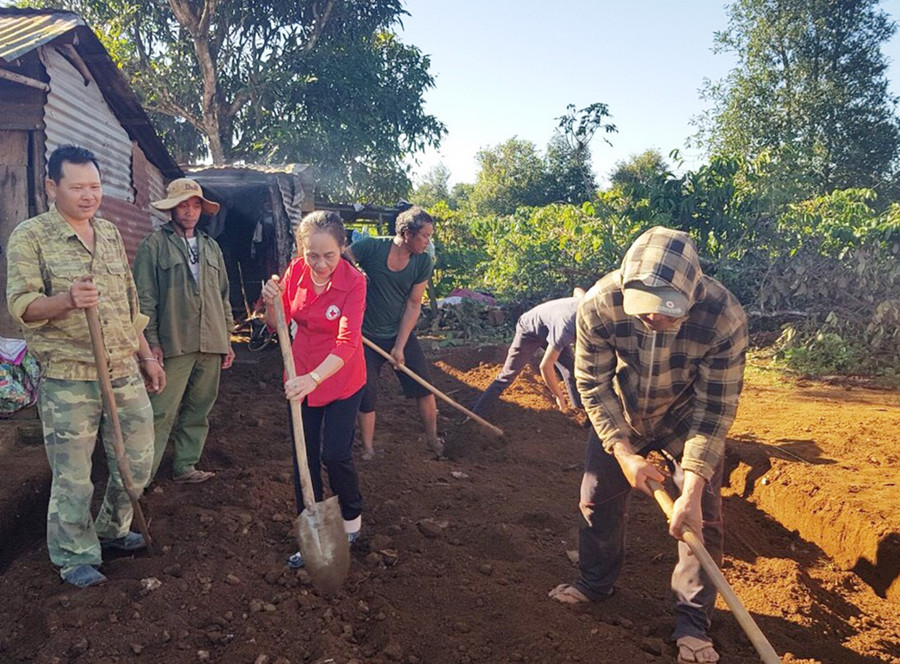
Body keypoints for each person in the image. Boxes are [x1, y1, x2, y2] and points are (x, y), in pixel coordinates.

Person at [549, 226, 748, 664]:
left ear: (691, 295)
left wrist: (692, 490)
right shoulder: (601, 303)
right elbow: (591, 384)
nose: (654, 322)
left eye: (666, 314)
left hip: (687, 417)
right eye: (645, 314)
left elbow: (715, 410)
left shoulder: (724, 317)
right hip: (623, 409)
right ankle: (596, 583)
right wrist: (623, 452)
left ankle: (693, 624)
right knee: (596, 499)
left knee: (700, 519)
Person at [5, 145, 166, 588]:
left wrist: (146, 356)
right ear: (52, 187)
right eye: (77, 187)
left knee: (138, 460)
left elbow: (128, 303)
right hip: (68, 376)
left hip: (122, 369)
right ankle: (74, 554)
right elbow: (23, 305)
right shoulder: (30, 236)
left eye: (94, 186)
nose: (88, 195)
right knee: (73, 476)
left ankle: (112, 531)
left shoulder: (111, 234)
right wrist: (67, 300)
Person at [261, 210, 367, 568]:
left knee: (335, 455)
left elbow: (347, 342)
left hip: (340, 377)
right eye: (312, 256)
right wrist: (271, 300)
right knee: (302, 461)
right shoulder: (295, 274)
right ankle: (314, 532)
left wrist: (315, 378)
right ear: (301, 251)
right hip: (300, 377)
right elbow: (276, 325)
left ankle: (352, 521)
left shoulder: (355, 282)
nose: (320, 264)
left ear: (342, 248)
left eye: (329, 256)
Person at [132, 178, 235, 484]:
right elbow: (144, 298)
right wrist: (150, 343)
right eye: (182, 205)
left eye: (195, 205)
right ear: (170, 209)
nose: (190, 212)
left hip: (212, 341)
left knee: (198, 409)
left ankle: (185, 466)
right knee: (160, 412)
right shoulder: (153, 246)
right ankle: (142, 478)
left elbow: (223, 295)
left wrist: (227, 339)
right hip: (174, 343)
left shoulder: (211, 247)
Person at [346, 206, 442, 460]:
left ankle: (433, 439)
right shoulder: (371, 248)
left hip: (399, 331)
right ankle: (368, 449)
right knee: (366, 391)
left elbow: (413, 304)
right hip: (364, 335)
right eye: (424, 236)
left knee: (423, 385)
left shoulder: (423, 262)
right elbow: (342, 261)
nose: (427, 241)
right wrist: (356, 276)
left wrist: (399, 346)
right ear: (407, 233)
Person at [470, 287, 586, 416]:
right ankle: (477, 413)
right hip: (529, 330)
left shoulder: (589, 305)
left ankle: (580, 412)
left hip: (550, 325)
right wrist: (559, 397)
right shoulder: (566, 328)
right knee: (508, 374)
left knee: (570, 369)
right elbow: (545, 366)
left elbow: (577, 290)